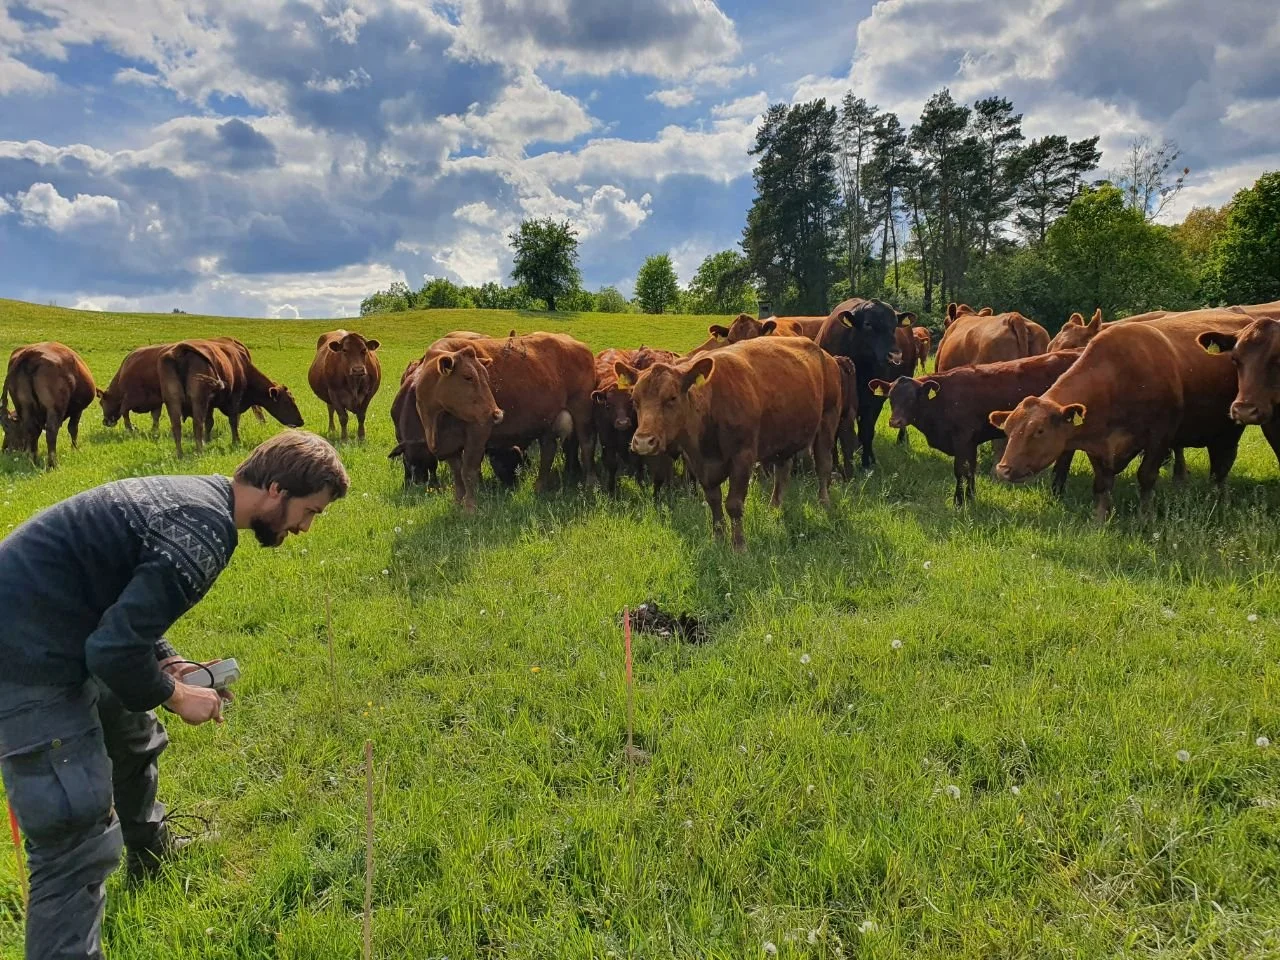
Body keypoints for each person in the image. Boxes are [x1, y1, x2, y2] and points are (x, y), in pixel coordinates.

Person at [0, 430, 349, 960]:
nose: (304, 527)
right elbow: (114, 651)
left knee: (131, 729)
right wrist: (175, 695)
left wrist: (168, 661)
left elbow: (121, 601)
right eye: (310, 511)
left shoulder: (199, 497)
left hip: (54, 628)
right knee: (72, 838)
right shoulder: (204, 532)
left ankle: (150, 848)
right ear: (276, 489)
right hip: (24, 662)